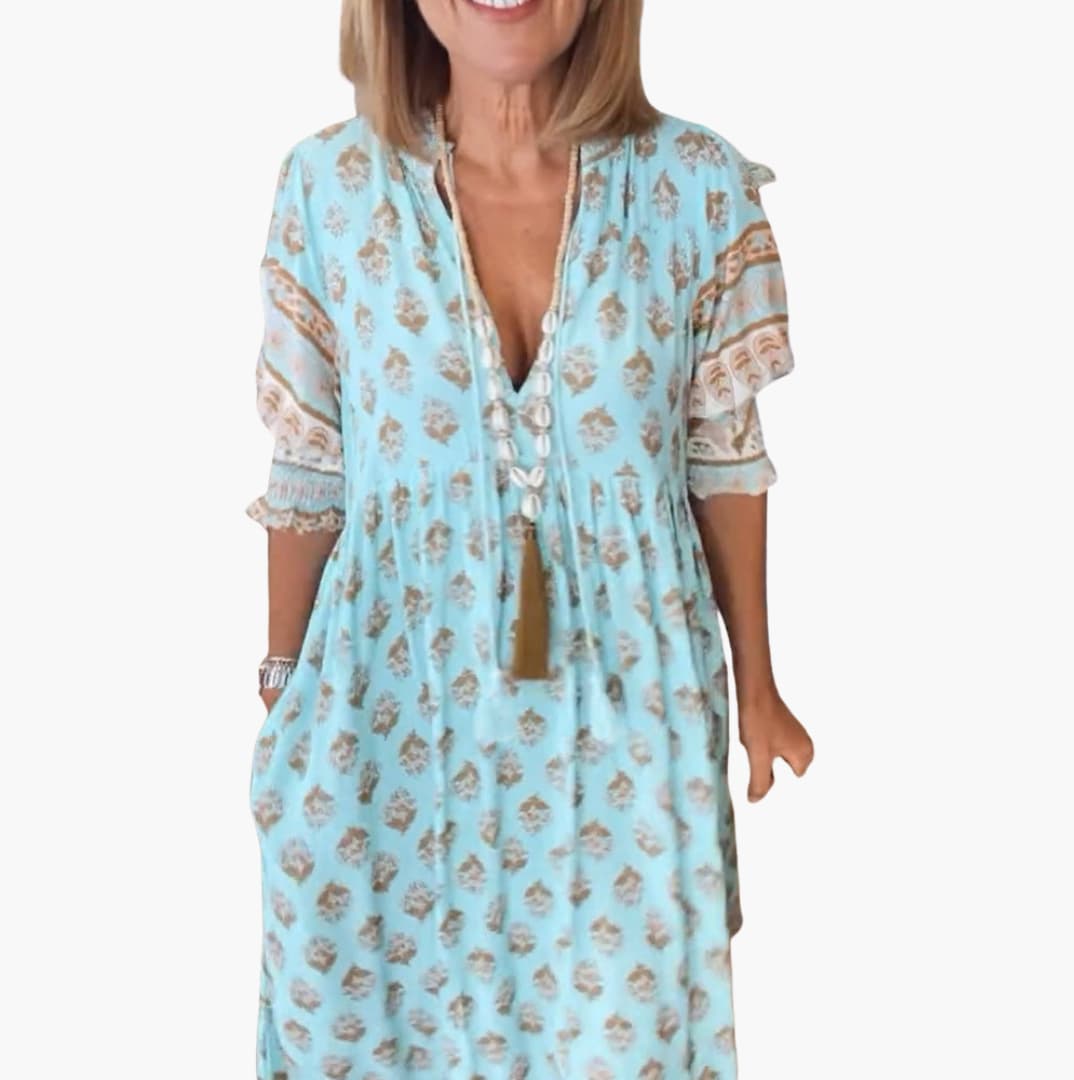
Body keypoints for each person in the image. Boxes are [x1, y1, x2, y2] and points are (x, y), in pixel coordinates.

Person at [245, 1, 814, 1076]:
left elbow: (723, 457)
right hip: (380, 729)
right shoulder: (330, 190)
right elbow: (310, 468)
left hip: (629, 726)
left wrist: (759, 687)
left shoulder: (695, 188)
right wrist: (282, 699)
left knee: (627, 1041)